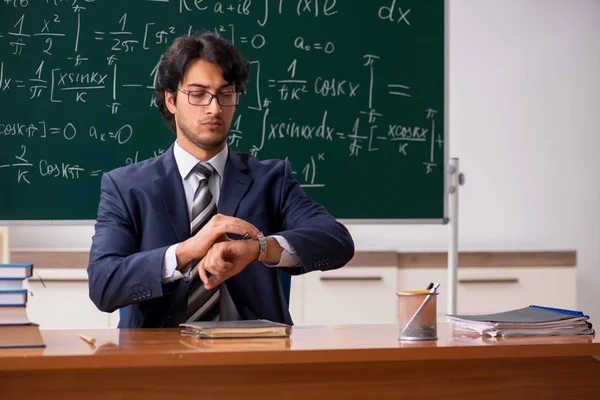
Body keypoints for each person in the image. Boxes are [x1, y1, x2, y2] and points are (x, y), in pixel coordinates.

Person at [87, 32, 355, 328]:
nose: (214, 108)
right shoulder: (125, 187)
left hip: (252, 357)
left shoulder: (270, 179)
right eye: (198, 94)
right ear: (171, 99)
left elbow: (337, 241)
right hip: (159, 361)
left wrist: (258, 249)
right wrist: (187, 251)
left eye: (225, 94)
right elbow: (103, 284)